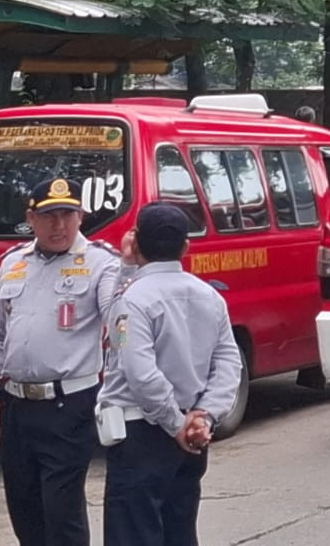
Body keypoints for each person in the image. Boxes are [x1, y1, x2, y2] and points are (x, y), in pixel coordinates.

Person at [0, 179, 123, 546]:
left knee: (61, 512)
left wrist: (130, 273)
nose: (59, 226)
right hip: (16, 406)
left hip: (68, 406)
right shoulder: (13, 263)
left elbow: (119, 325)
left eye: (67, 216)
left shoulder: (101, 263)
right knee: (24, 509)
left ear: (81, 217)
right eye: (49, 217)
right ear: (31, 219)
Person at [99, 203, 241, 546]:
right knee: (179, 529)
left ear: (136, 243)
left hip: (141, 433)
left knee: (132, 533)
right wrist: (204, 417)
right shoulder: (209, 296)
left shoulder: (133, 300)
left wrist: (174, 423)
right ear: (186, 247)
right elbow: (227, 362)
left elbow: (139, 372)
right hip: (192, 432)